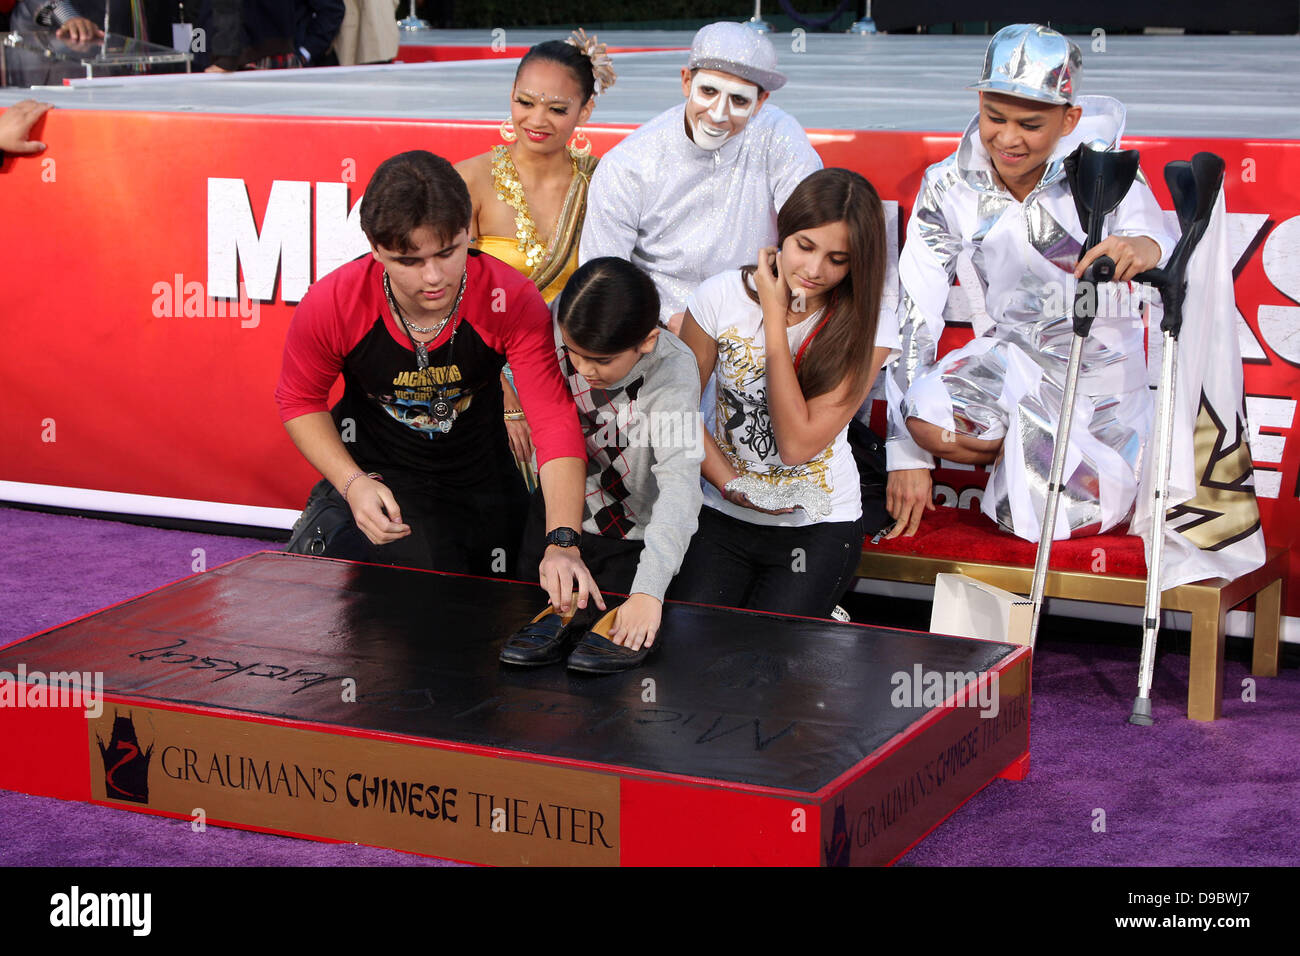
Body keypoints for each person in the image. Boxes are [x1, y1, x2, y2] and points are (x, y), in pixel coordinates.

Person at [275, 149, 604, 617]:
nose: (433, 278)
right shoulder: (334, 302)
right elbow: (298, 399)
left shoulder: (509, 297)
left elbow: (551, 417)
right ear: (374, 247)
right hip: (385, 479)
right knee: (408, 612)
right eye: (408, 261)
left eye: (447, 253)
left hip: (483, 477)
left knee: (522, 605)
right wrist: (351, 485)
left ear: (468, 231)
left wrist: (563, 539)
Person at [883, 24, 1178, 542]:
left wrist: (1139, 249)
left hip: (1101, 388)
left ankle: (1068, 458)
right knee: (924, 418)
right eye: (994, 117)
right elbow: (915, 312)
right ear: (979, 99)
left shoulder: (1106, 173)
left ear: (1070, 119)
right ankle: (1032, 453)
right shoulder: (946, 184)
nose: (1008, 138)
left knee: (1051, 521)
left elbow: (1158, 240)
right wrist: (906, 452)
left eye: (1030, 123)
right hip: (1013, 365)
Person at [672, 168, 897, 618]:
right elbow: (674, 410)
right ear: (782, 234)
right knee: (687, 647)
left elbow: (796, 445)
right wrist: (730, 485)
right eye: (805, 246)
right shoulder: (719, 296)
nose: (814, 270)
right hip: (721, 515)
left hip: (819, 527)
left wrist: (775, 320)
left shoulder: (872, 322)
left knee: (767, 664)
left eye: (838, 259)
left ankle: (819, 628)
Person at [502, 258, 703, 672]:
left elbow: (681, 486)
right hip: (554, 521)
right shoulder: (560, 323)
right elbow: (499, 358)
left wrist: (648, 592)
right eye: (573, 353)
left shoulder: (674, 367)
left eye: (601, 359)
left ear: (646, 341)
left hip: (633, 541)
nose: (583, 369)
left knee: (598, 683)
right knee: (520, 672)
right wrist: (508, 400)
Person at [579, 20, 822, 335]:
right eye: (708, 91)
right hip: (661, 332)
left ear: (761, 103)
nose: (719, 114)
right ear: (685, 82)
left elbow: (816, 234)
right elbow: (602, 279)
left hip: (769, 323)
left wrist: (778, 318)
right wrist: (655, 325)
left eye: (739, 100)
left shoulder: (778, 135)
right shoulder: (628, 165)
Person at [456, 30, 616, 489]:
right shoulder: (469, 180)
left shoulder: (604, 186)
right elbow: (449, 303)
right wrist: (508, 399)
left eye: (557, 108)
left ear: (585, 111)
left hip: (584, 378)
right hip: (485, 381)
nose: (537, 119)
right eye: (525, 102)